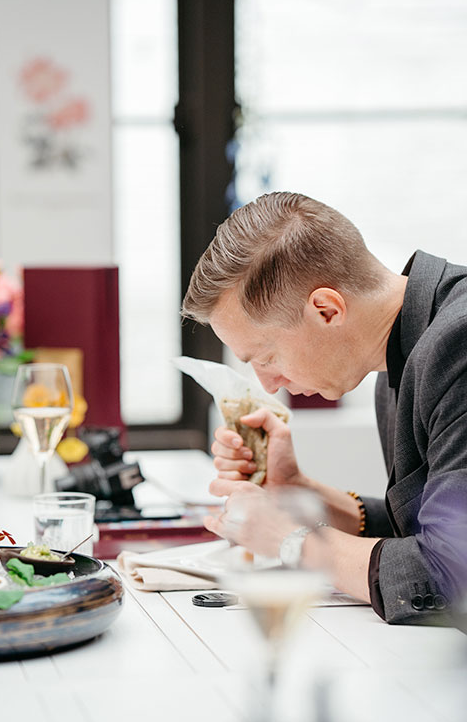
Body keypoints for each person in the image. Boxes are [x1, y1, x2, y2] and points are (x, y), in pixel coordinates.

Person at [181, 191, 467, 624]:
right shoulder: (397, 361)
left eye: (266, 356)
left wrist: (292, 541)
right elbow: (427, 531)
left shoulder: (457, 347)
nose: (267, 382)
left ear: (327, 310)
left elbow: (450, 572)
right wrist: (299, 492)